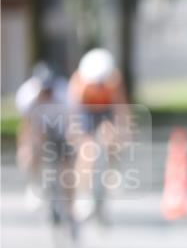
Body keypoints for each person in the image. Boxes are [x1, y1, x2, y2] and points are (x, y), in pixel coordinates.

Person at [66, 48, 128, 223]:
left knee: (110, 136)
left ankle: (113, 171)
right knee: (87, 151)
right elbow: (73, 113)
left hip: (105, 112)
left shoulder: (114, 81)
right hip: (85, 113)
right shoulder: (78, 83)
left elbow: (121, 109)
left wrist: (122, 132)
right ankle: (83, 195)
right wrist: (75, 134)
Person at [15, 62, 70, 213]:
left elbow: (71, 123)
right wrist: (24, 148)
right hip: (39, 128)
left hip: (60, 128)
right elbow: (25, 126)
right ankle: (34, 185)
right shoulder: (27, 95)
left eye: (49, 89)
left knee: (66, 161)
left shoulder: (64, 93)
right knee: (31, 148)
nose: (46, 93)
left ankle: (69, 204)